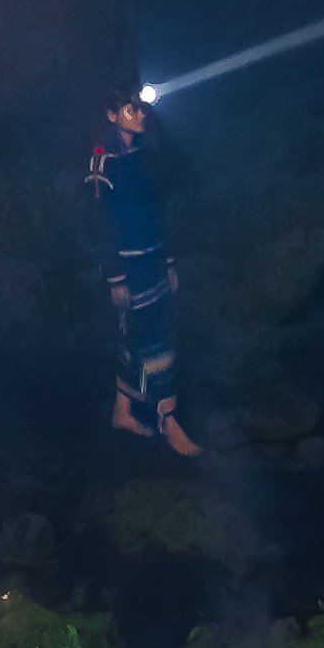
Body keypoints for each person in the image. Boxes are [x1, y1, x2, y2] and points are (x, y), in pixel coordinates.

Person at [86, 93, 196, 455]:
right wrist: (115, 277)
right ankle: (169, 419)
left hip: (152, 260)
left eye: (141, 108)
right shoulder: (104, 163)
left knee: (144, 336)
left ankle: (123, 411)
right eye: (130, 109)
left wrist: (168, 261)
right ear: (112, 115)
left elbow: (157, 211)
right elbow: (100, 224)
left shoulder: (144, 158)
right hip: (130, 267)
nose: (140, 115)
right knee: (151, 338)